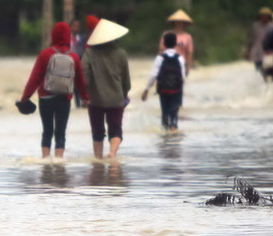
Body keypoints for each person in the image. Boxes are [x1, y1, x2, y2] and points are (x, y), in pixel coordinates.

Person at [18, 21, 90, 159]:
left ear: (54, 35)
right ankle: (59, 161)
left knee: (47, 131)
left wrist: (25, 98)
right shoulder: (74, 57)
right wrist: (85, 97)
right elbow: (80, 81)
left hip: (45, 98)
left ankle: (46, 160)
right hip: (64, 98)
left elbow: (34, 78)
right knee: (60, 131)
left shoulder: (45, 54)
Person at [82, 18, 132, 159]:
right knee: (115, 129)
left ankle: (98, 157)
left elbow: (84, 75)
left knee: (97, 131)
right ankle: (112, 153)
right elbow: (126, 80)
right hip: (116, 99)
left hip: (95, 99)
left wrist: (84, 94)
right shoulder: (121, 53)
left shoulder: (89, 53)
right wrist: (124, 94)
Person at [142, 32, 186, 130]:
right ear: (175, 44)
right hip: (176, 90)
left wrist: (146, 90)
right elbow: (182, 76)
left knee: (165, 113)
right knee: (174, 114)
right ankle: (173, 131)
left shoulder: (159, 58)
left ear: (164, 44)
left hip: (163, 90)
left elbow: (153, 75)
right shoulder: (180, 58)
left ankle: (165, 135)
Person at [161, 10, 194, 74]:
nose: (179, 24)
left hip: (181, 63)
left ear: (184, 24)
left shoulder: (187, 36)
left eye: (181, 22)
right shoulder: (166, 34)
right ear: (174, 23)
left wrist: (188, 67)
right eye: (177, 22)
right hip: (167, 63)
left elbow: (189, 52)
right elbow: (161, 49)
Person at [245, 7, 273, 73]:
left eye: (266, 16)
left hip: (269, 52)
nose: (264, 17)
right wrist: (248, 51)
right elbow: (251, 39)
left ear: (269, 17)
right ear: (260, 16)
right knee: (259, 71)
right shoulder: (255, 26)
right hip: (258, 52)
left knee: (269, 70)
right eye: (263, 16)